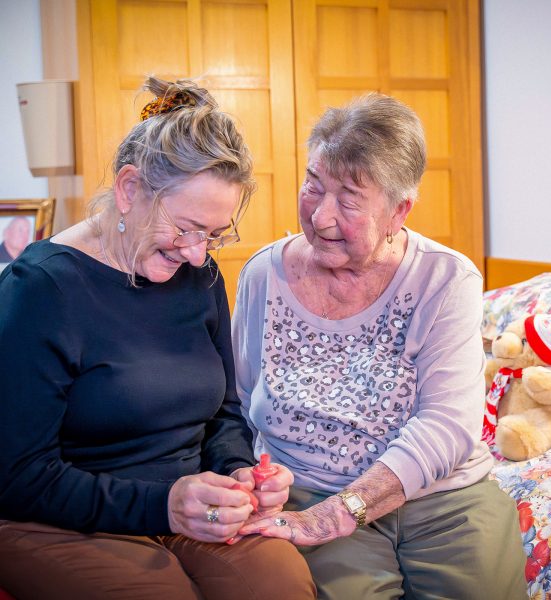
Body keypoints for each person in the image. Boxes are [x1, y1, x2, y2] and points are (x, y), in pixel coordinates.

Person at [0, 76, 315, 600]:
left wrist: (238, 473)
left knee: (279, 583)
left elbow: (224, 414)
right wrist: (164, 504)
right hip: (54, 516)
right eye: (188, 228)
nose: (198, 253)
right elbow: (17, 476)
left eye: (214, 235)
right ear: (129, 189)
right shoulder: (41, 291)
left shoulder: (200, 277)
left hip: (185, 506)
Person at [231, 94, 527, 599]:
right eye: (313, 185)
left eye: (348, 200)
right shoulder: (264, 274)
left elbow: (447, 424)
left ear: (399, 210)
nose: (321, 216)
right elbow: (239, 398)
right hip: (309, 489)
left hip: (445, 500)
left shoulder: (446, 278)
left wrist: (345, 511)